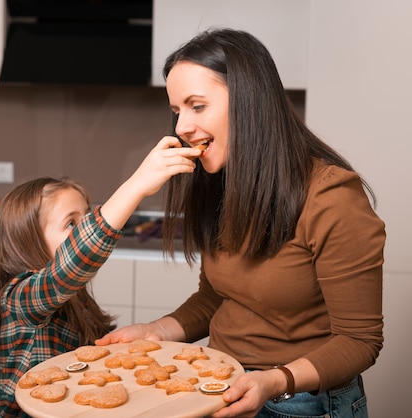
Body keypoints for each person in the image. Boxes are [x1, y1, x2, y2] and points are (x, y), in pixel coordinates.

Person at [95, 28, 386, 418]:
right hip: (223, 385)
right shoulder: (222, 181)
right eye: (177, 110)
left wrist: (274, 380)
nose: (181, 126)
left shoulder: (332, 198)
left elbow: (359, 341)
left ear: (250, 103)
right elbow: (218, 295)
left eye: (197, 106)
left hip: (304, 403)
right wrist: (157, 332)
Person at [0, 137, 203, 418]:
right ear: (27, 240)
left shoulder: (75, 301)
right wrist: (136, 186)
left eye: (86, 218)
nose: (82, 230)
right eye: (72, 223)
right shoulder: (19, 299)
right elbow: (71, 264)